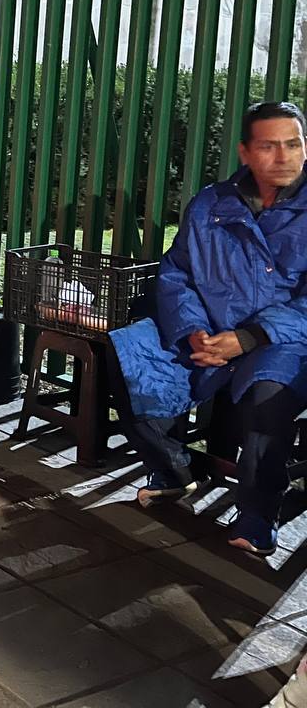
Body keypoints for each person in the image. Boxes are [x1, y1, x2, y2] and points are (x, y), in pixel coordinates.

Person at [111, 101, 307, 557]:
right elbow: (176, 273)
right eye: (268, 146)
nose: (283, 157)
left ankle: (258, 513)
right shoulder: (211, 203)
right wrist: (195, 330)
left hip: (283, 340)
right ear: (244, 152)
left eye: (293, 144)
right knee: (129, 354)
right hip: (208, 333)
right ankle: (173, 470)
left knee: (269, 395)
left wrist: (251, 337)